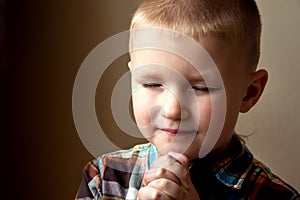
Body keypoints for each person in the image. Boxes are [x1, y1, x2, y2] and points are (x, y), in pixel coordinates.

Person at [75, 0, 300, 199]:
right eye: (152, 84)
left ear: (250, 92)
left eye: (200, 88)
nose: (172, 110)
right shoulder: (103, 178)